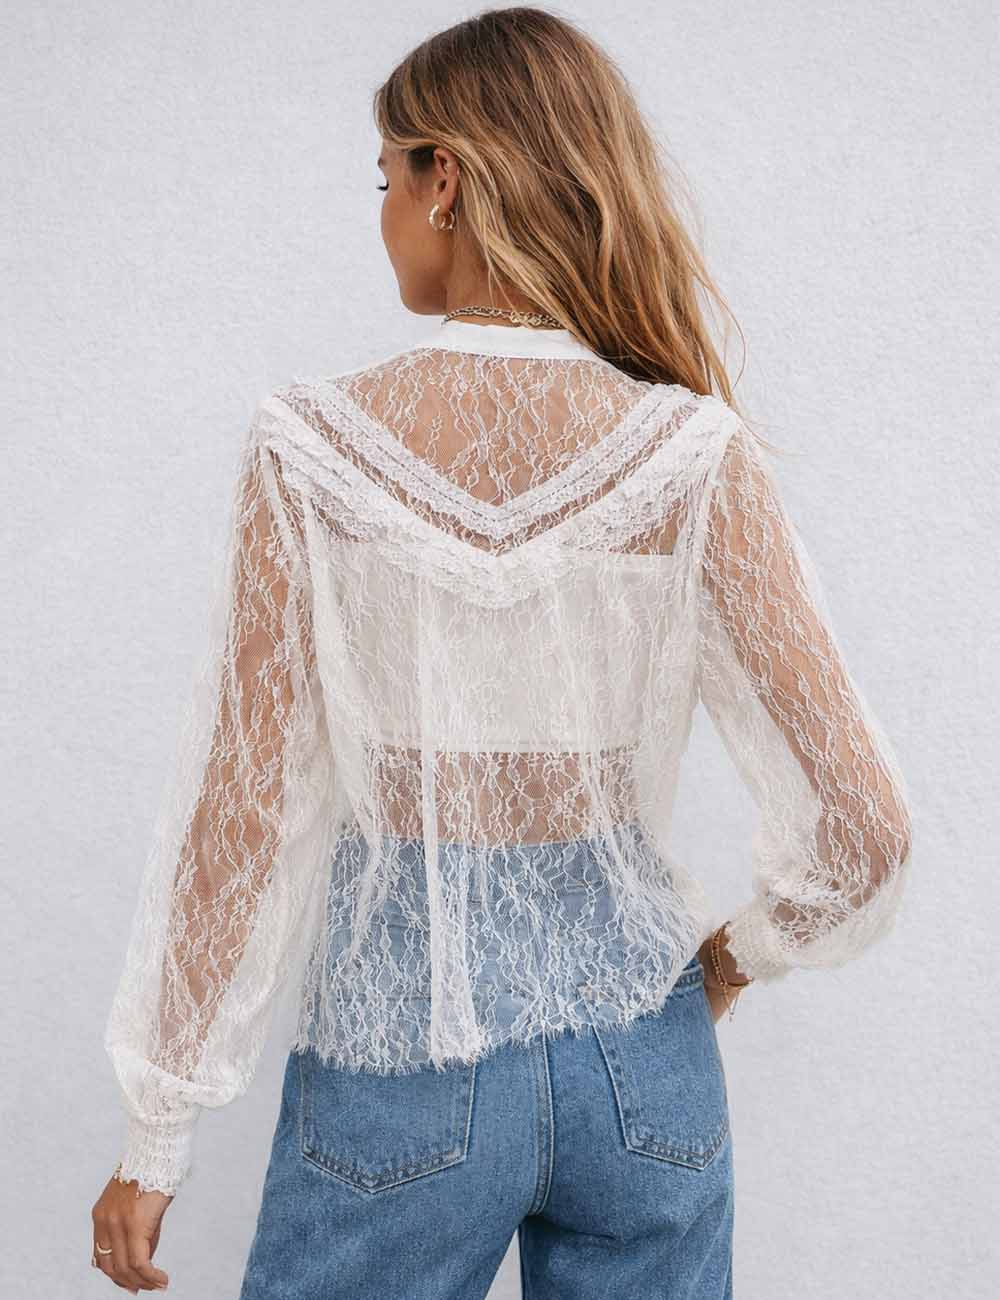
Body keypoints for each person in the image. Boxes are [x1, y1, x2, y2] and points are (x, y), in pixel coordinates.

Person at [90, 7, 913, 1297]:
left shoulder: (311, 450)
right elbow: (865, 829)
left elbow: (243, 806)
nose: (383, 213)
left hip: (400, 1061)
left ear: (448, 181)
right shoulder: (691, 452)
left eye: (385, 177)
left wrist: (159, 1125)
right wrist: (728, 962)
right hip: (646, 1064)